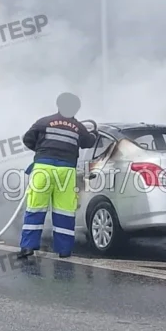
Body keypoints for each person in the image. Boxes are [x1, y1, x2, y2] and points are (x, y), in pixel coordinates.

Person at [18, 93, 97, 259]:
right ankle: (64, 250)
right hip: (66, 171)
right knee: (65, 211)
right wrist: (94, 134)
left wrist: (42, 152)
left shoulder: (44, 122)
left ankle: (28, 247)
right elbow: (88, 142)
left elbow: (27, 139)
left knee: (35, 208)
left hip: (42, 169)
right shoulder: (78, 126)